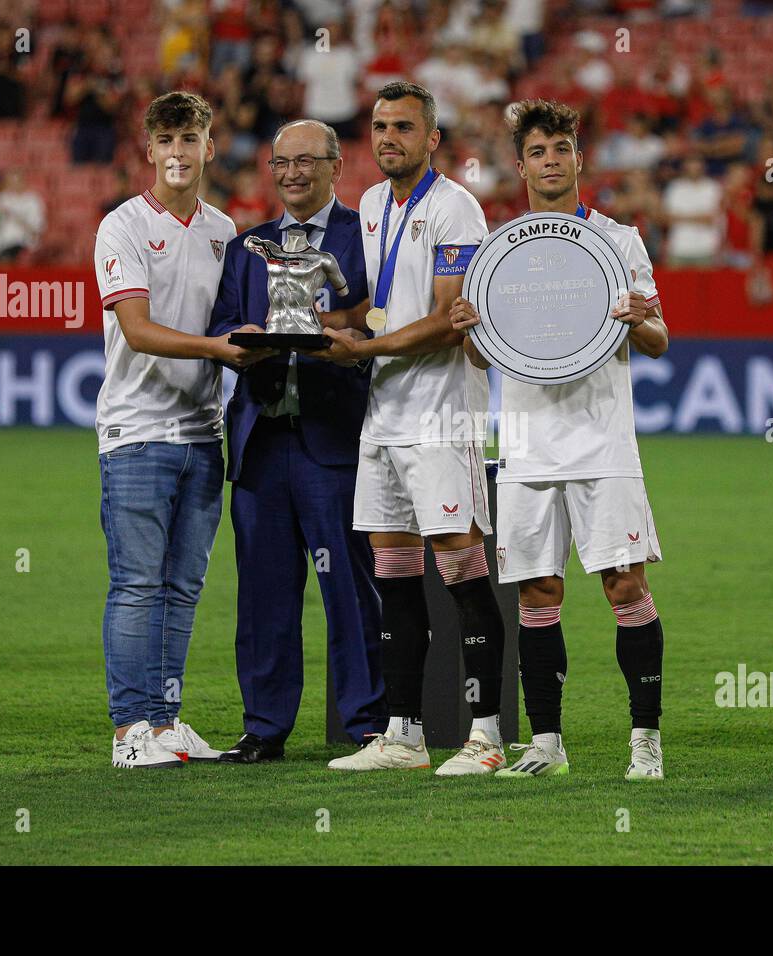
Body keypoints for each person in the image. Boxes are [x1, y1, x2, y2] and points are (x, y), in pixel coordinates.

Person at [449, 99, 670, 781]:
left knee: (623, 583)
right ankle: (546, 744)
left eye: (562, 149)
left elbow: (659, 342)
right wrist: (465, 328)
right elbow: (487, 357)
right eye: (538, 152)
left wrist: (638, 318)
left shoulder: (620, 240)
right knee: (538, 594)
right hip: (527, 443)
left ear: (579, 158)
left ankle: (646, 742)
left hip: (603, 442)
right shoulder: (501, 251)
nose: (551, 161)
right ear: (520, 166)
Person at [311, 82, 508, 776]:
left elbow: (451, 319)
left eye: (404, 127)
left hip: (441, 416)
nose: (388, 137)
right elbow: (387, 303)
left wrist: (361, 350)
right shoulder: (370, 205)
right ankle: (405, 735)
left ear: (432, 140)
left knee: (460, 569)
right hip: (385, 417)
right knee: (393, 574)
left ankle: (485, 736)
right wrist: (331, 323)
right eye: (380, 126)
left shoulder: (457, 208)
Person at [91, 90, 265, 770]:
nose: (177, 152)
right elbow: (135, 330)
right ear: (149, 150)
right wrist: (222, 351)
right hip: (137, 431)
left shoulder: (225, 230)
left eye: (189, 138)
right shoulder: (123, 227)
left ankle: (165, 721)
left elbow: (233, 316)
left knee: (182, 587)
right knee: (137, 583)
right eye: (165, 140)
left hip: (201, 432)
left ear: (209, 148)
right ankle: (129, 729)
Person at [206, 118, 387, 763]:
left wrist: (346, 341)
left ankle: (368, 726)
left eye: (308, 161)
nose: (293, 173)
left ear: (336, 166)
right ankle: (264, 729)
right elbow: (224, 324)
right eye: (282, 162)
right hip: (261, 438)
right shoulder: (245, 245)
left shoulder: (363, 237)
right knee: (262, 593)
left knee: (350, 587)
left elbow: (379, 318)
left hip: (333, 435)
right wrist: (246, 340)